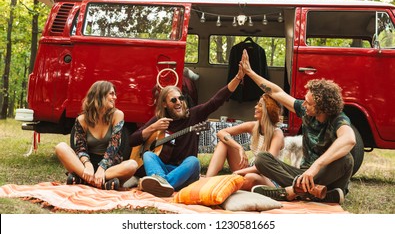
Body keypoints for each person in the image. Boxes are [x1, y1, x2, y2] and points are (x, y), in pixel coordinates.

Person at [240, 49, 356, 204]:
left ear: (322, 107)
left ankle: (289, 191)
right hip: (303, 174)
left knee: (347, 159)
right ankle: (317, 194)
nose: (304, 104)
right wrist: (249, 72)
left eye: (309, 102)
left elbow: (349, 140)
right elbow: (276, 92)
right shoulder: (306, 111)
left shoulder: (338, 119)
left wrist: (316, 166)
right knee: (262, 159)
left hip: (326, 176)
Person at [129, 66, 245, 197]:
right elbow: (133, 140)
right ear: (165, 104)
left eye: (181, 98)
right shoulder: (159, 120)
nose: (178, 102)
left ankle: (162, 184)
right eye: (173, 100)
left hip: (186, 172)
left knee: (193, 161)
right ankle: (163, 183)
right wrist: (152, 127)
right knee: (148, 155)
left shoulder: (195, 115)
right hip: (165, 169)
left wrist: (238, 78)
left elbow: (216, 101)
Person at [55, 80, 138, 190]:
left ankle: (84, 180)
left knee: (132, 165)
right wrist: (87, 165)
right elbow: (80, 148)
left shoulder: (117, 115)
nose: (115, 97)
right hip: (86, 165)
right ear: (100, 95)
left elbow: (114, 146)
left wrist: (102, 168)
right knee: (60, 147)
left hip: (109, 166)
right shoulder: (82, 119)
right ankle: (103, 183)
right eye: (111, 94)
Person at [205, 94, 284, 191]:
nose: (255, 107)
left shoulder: (277, 133)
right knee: (224, 143)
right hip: (250, 168)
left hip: (269, 177)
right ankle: (206, 182)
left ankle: (223, 187)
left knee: (251, 177)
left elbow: (267, 165)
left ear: (268, 110)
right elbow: (221, 133)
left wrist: (239, 172)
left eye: (259, 105)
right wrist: (239, 147)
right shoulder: (253, 126)